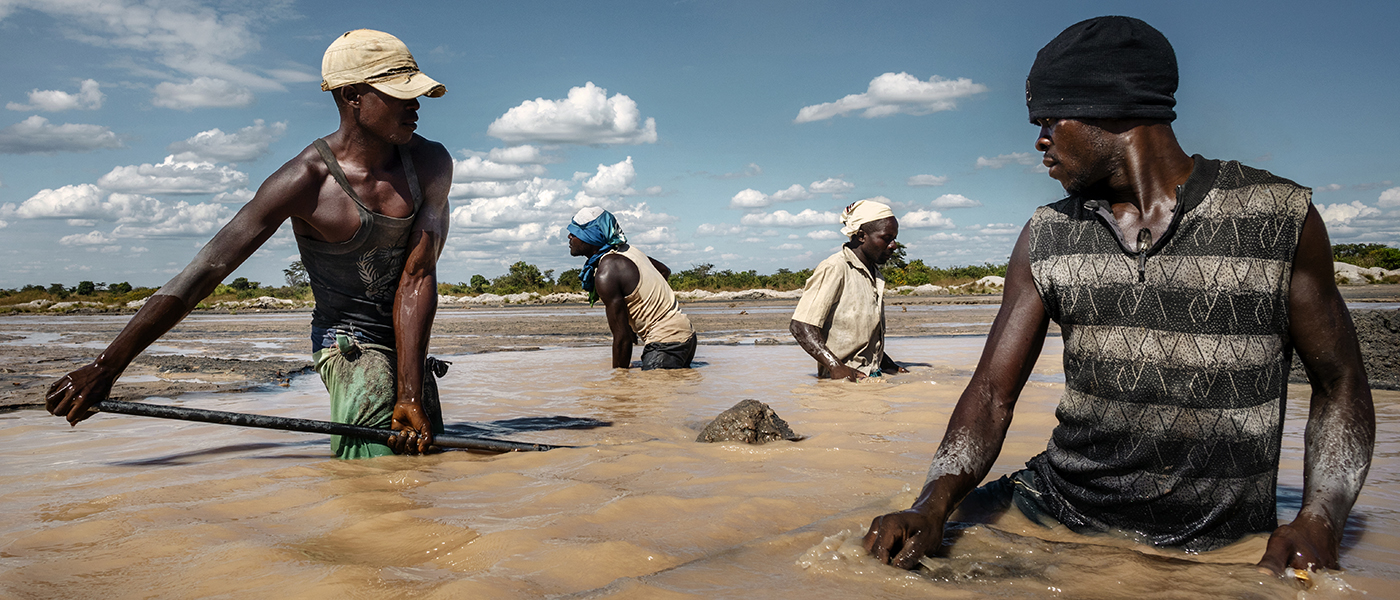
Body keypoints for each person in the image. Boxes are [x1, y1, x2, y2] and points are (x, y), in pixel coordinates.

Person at [863, 16, 1374, 577]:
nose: (1039, 140)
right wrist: (930, 504)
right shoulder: (1046, 234)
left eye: (1050, 120)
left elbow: (1340, 382)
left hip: (1220, 538)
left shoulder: (1277, 217)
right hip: (1051, 508)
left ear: (1111, 107)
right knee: (864, 559)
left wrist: (1321, 518)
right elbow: (990, 395)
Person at [45, 29, 455, 459]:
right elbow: (205, 270)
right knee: (376, 467)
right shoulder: (303, 180)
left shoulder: (429, 163)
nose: (415, 105)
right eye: (400, 94)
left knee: (425, 457)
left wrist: (411, 392)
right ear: (353, 96)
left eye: (417, 94)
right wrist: (106, 367)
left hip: (406, 338)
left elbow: (417, 275)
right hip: (347, 340)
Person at [789, 199, 908, 381]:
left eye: (894, 238)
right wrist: (836, 367)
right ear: (861, 235)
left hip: (870, 378)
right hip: (844, 382)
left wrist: (888, 364)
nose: (893, 245)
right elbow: (801, 325)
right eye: (886, 238)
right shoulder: (835, 268)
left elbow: (861, 339)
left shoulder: (873, 274)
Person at [567, 207, 697, 369]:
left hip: (665, 343)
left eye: (575, 233)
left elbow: (622, 339)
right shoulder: (628, 251)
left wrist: (619, 382)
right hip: (687, 336)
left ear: (592, 236)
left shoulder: (607, 269)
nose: (569, 237)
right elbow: (664, 270)